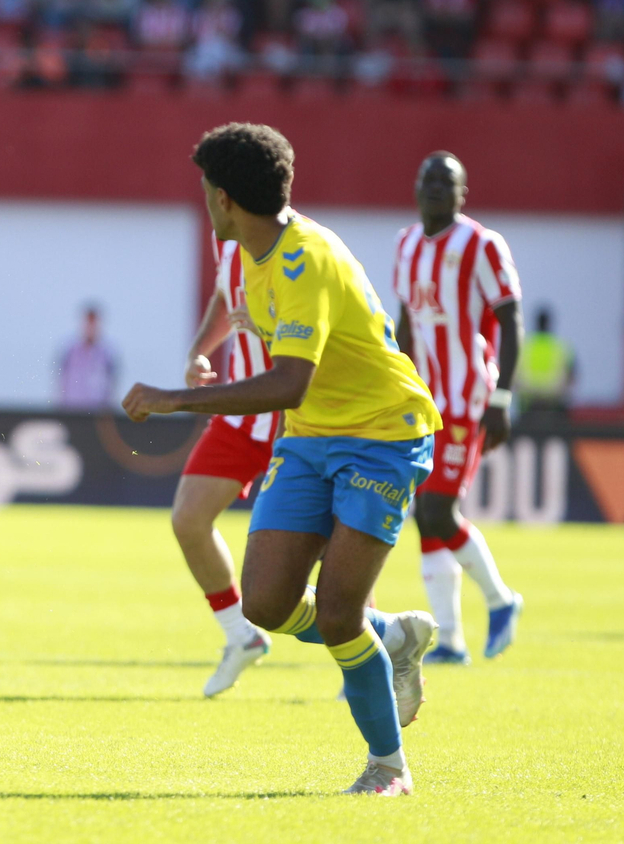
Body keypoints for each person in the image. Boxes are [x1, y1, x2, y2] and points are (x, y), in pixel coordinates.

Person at [123, 123, 440, 796]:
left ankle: (388, 766)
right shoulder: (251, 253)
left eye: (206, 189)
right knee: (266, 604)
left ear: (225, 198)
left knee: (338, 614)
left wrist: (175, 399)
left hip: (383, 435)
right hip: (309, 438)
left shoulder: (306, 258)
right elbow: (276, 363)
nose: (204, 200)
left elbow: (290, 380)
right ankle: (393, 636)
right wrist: (201, 353)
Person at [394, 152, 525, 664]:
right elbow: (406, 322)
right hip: (423, 400)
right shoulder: (405, 244)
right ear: (415, 187)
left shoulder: (482, 244)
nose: (434, 187)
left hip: (467, 396)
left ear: (461, 193)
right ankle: (449, 639)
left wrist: (502, 397)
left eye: (446, 181)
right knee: (424, 517)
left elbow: (510, 319)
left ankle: (501, 600)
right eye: (427, 178)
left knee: (437, 509)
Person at [170, 238, 278, 698]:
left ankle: (370, 654)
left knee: (323, 545)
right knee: (188, 519)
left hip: (296, 416)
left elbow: (330, 325)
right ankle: (240, 634)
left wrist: (270, 326)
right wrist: (200, 349)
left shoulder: (301, 245)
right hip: (241, 412)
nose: (213, 205)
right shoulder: (228, 239)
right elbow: (224, 293)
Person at [57, 305, 118, 409]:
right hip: (72, 409)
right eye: (88, 323)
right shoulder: (70, 351)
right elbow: (61, 380)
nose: (91, 328)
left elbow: (111, 384)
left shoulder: (106, 354)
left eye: (93, 324)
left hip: (97, 410)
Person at [516, 307, 575, 414]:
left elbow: (513, 373)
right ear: (549, 324)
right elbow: (571, 375)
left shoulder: (525, 346)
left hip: (529, 402)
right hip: (553, 401)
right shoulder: (561, 347)